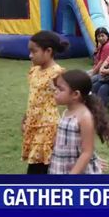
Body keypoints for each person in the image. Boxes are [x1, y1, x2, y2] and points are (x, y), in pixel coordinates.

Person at [49, 70, 109, 174]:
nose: (55, 91)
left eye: (60, 89)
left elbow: (87, 151)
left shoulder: (85, 117)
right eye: (56, 87)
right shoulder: (66, 111)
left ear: (75, 94)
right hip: (61, 165)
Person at [21, 31, 67, 174]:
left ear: (48, 51)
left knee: (38, 168)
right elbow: (34, 97)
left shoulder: (57, 73)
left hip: (47, 127)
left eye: (34, 51)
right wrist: (26, 118)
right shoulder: (34, 70)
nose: (30, 55)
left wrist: (57, 91)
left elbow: (68, 96)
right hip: (34, 124)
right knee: (41, 166)